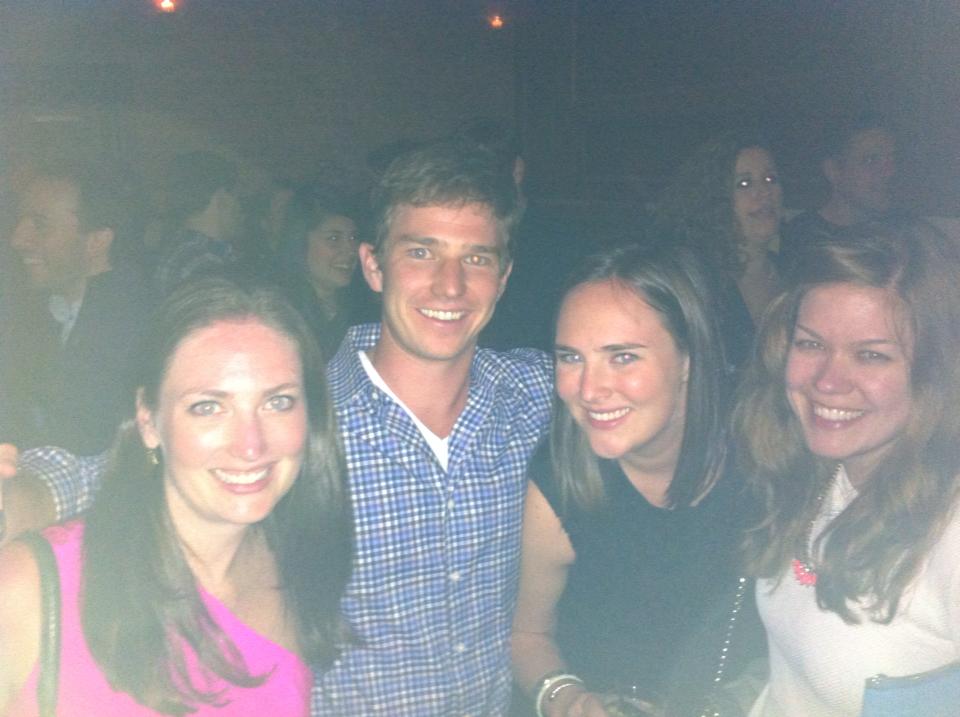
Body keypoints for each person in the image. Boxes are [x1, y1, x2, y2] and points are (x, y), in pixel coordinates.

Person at [0, 140, 554, 716]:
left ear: (504, 277)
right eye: (421, 252)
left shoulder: (533, 392)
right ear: (372, 265)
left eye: (477, 259)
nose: (450, 285)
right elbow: (143, 466)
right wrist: (23, 495)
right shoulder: (299, 417)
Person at [0, 278, 353, 716]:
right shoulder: (30, 587)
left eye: (278, 402)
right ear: (149, 420)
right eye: (208, 406)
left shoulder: (299, 559)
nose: (251, 445)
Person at [512, 243, 763, 717]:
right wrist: (566, 698)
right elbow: (527, 633)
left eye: (623, 357)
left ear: (688, 359)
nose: (589, 390)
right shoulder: (558, 485)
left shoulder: (763, 461)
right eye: (571, 357)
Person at [735, 221, 960, 716]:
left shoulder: (950, 532)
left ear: (935, 372)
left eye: (871, 355)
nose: (828, 382)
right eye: (811, 344)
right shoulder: (820, 472)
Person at [5, 161, 153, 454]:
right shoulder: (46, 307)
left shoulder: (133, 329)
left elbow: (87, 447)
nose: (17, 239)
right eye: (20, 221)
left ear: (97, 241)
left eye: (40, 224)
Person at [652, 132, 784, 384]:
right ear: (715, 199)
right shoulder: (694, 282)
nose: (764, 193)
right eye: (744, 184)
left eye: (770, 179)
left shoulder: (794, 271)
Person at [779, 114, 897, 270]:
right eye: (870, 160)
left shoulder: (901, 231)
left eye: (892, 159)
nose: (889, 172)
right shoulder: (803, 238)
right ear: (833, 171)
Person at [274, 184, 365, 361]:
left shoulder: (361, 309)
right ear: (300, 243)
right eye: (334, 239)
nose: (350, 250)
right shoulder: (280, 313)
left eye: (353, 238)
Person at [153, 151, 246, 297]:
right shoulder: (202, 263)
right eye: (237, 196)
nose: (241, 208)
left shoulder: (189, 251)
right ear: (221, 197)